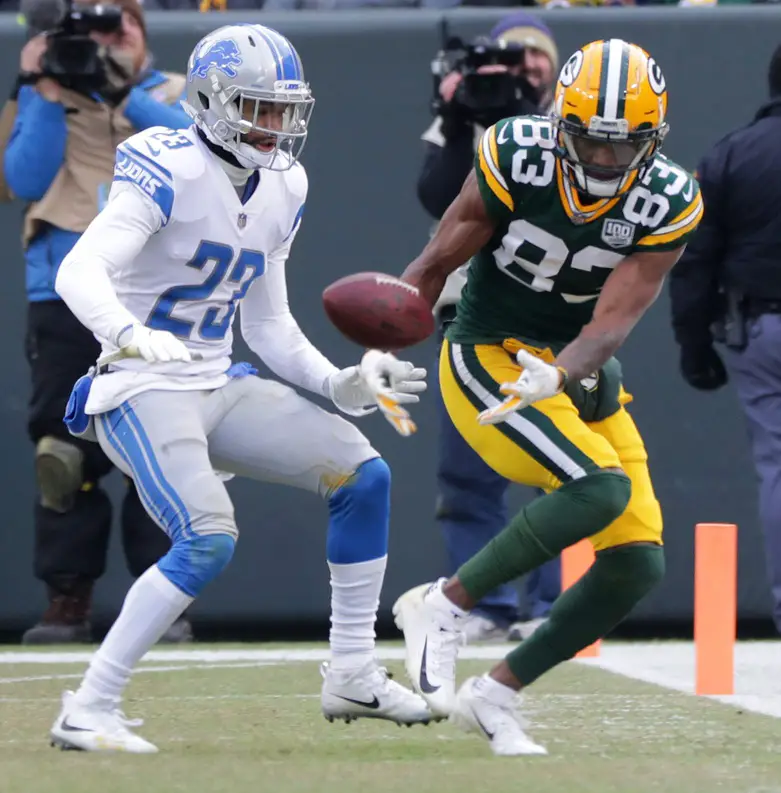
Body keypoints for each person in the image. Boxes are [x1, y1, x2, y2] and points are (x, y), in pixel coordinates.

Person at [47, 23, 432, 753]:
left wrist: (339, 381)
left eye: (284, 108)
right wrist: (128, 334)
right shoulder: (167, 165)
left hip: (216, 380)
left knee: (365, 476)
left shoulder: (286, 181)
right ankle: (88, 707)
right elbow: (77, 272)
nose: (275, 124)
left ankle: (351, 670)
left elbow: (269, 323)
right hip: (137, 384)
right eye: (257, 106)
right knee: (207, 539)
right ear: (210, 100)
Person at [393, 39, 703, 756]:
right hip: (489, 348)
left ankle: (494, 692)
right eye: (587, 140)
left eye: (619, 147)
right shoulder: (514, 153)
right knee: (597, 488)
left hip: (574, 365)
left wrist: (559, 374)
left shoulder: (668, 198)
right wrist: (384, 350)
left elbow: (612, 322)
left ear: (652, 143)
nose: (599, 161)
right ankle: (442, 602)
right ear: (558, 120)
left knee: (636, 561)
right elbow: (435, 261)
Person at [4, 0, 194, 645]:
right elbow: (24, 176)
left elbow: (200, 165)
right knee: (62, 452)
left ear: (143, 35)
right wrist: (43, 89)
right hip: (63, 292)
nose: (103, 43)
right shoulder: (44, 92)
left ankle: (162, 601)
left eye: (119, 28)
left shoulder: (171, 94)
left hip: (154, 294)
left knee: (159, 449)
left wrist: (124, 95)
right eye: (88, 32)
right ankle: (67, 599)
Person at [414, 12, 561, 643]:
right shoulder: (467, 116)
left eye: (535, 56)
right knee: (467, 470)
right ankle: (488, 602)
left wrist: (529, 113)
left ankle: (554, 603)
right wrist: (456, 122)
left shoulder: (580, 123)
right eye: (513, 55)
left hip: (549, 314)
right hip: (468, 312)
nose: (523, 66)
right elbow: (435, 195)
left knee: (561, 465)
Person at [670, 43, 781, 635]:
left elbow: (693, 259)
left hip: (762, 329)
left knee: (779, 468)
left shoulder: (732, 154)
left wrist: (693, 342)